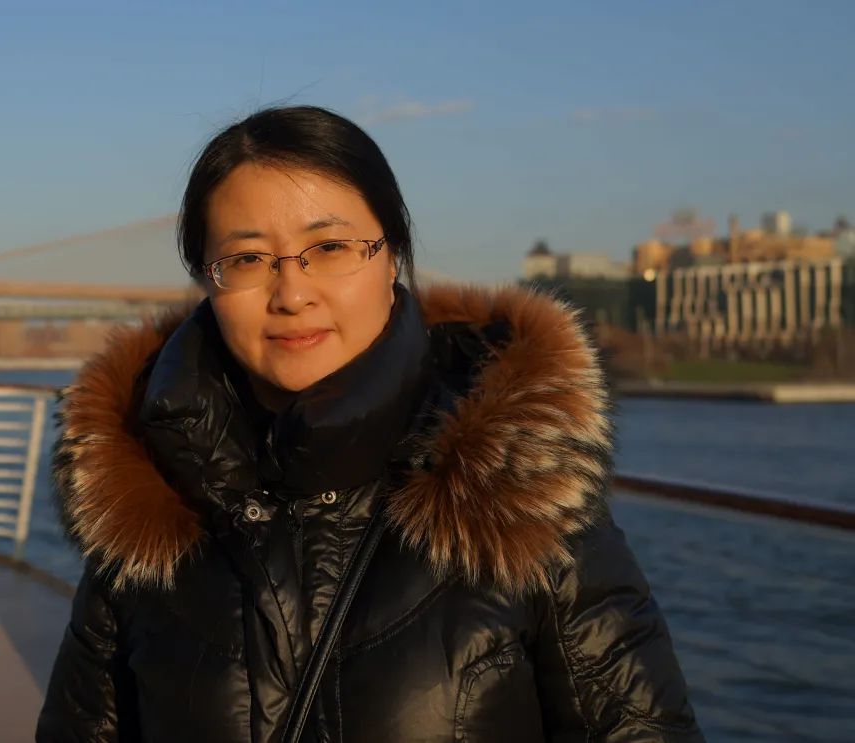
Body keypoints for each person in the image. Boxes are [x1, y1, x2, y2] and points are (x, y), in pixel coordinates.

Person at [36, 105, 704, 742]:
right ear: (208, 283)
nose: (292, 293)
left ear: (392, 257)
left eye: (330, 247)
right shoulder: (145, 498)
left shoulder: (518, 489)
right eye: (246, 260)